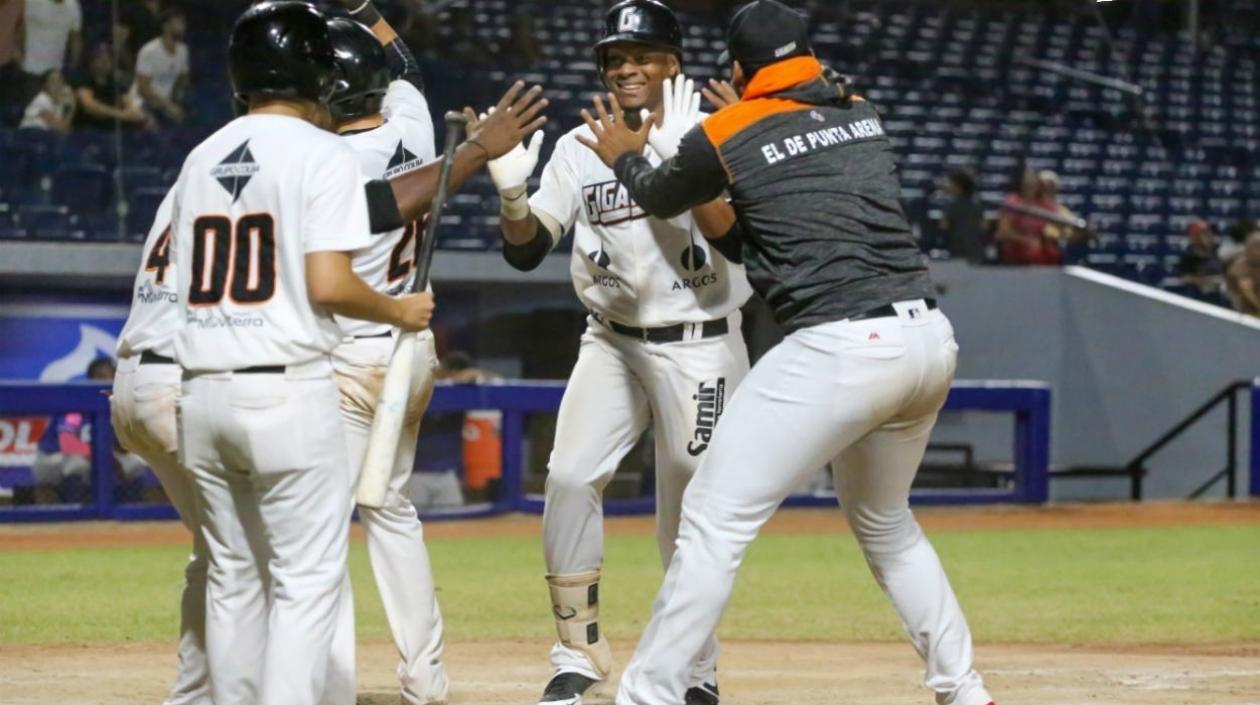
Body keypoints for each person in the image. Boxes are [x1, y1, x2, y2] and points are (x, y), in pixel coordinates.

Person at [575, 3, 996, 705]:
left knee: (712, 519)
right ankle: (964, 689)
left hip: (841, 346)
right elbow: (750, 241)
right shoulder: (859, 111)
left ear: (738, 71)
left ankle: (648, 694)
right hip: (927, 339)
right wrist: (730, 145)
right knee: (887, 523)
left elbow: (656, 192)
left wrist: (623, 150)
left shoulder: (727, 128)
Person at [169, 4, 435, 703]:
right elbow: (328, 283)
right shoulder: (323, 153)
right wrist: (398, 309)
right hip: (286, 386)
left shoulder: (201, 156)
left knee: (232, 576)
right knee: (306, 578)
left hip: (202, 391)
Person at [489, 2, 752, 703]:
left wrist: (680, 155)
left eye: (643, 55)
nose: (627, 68)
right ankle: (576, 652)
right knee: (569, 477)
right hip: (610, 340)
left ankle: (695, 669)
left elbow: (738, 238)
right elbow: (528, 249)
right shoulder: (580, 145)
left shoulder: (715, 131)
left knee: (693, 499)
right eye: (615, 58)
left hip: (700, 340)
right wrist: (512, 196)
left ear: (673, 63)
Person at [325, 6, 448, 704]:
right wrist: (368, 13)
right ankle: (425, 676)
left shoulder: (325, 163)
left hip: (349, 354)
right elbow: (406, 65)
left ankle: (328, 682)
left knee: (320, 525)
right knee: (391, 509)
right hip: (410, 350)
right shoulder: (413, 123)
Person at [110, 189, 213, 705]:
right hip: (175, 379)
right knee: (248, 550)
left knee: (216, 548)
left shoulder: (187, 182)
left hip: (132, 381)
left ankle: (199, 692)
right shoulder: (249, 184)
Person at [128, 8, 189, 124]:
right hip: (142, 102)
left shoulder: (183, 50)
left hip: (166, 102)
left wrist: (177, 99)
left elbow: (183, 78)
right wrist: (168, 106)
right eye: (178, 22)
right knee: (150, 123)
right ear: (165, 26)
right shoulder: (149, 51)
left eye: (183, 22)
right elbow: (143, 89)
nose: (183, 26)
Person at [74, 42, 153, 130]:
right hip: (90, 129)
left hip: (116, 130)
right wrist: (121, 114)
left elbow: (129, 103)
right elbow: (89, 106)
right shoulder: (83, 81)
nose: (105, 62)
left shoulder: (115, 83)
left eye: (108, 58)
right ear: (91, 61)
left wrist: (140, 116)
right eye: (100, 58)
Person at [19, 0, 80, 105]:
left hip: (56, 73)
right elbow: (20, 27)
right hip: (31, 69)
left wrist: (73, 66)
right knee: (34, 110)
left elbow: (75, 37)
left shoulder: (73, 5)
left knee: (55, 110)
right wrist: (19, 54)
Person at [995, 168, 1058, 265]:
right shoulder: (1013, 201)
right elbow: (1003, 232)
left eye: (1033, 182)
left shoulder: (1044, 204)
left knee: (1052, 253)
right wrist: (1026, 240)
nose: (1030, 185)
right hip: (1016, 247)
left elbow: (1058, 222)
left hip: (1039, 247)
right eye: (1027, 183)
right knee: (1032, 253)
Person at [938, 169, 986, 263]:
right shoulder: (978, 205)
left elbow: (944, 226)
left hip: (957, 248)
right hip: (976, 249)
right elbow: (984, 227)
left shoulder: (951, 206)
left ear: (959, 187)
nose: (948, 187)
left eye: (951, 184)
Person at [1177, 220, 1225, 296]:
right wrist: (1208, 280)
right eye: (1204, 234)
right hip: (1199, 296)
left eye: (1210, 232)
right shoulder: (1189, 257)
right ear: (1195, 238)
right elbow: (1186, 278)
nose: (1210, 236)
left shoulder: (1218, 252)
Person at [113, 0, 162, 67]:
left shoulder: (168, 8)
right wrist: (132, 66)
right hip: (136, 65)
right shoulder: (129, 10)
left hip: (162, 65)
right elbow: (119, 43)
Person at [1226, 232, 1260, 317]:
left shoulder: (1256, 264)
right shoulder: (1241, 269)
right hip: (1248, 314)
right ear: (1248, 249)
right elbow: (1250, 296)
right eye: (1258, 247)